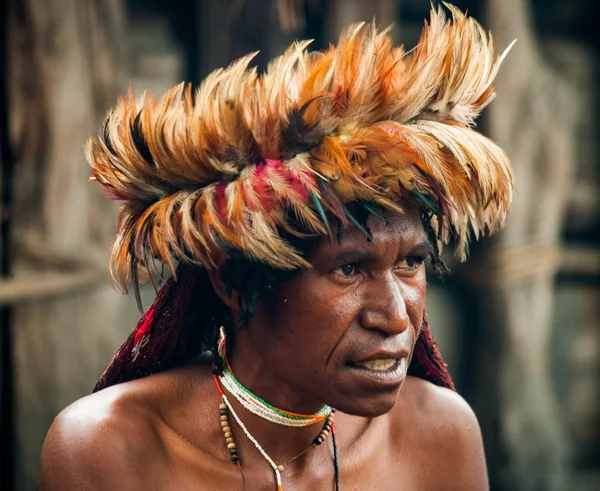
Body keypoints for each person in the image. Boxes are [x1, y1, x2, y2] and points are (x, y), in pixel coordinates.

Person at [39, 4, 514, 490]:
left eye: (411, 263)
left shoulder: (440, 436)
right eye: (349, 269)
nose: (395, 317)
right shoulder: (109, 450)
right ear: (231, 281)